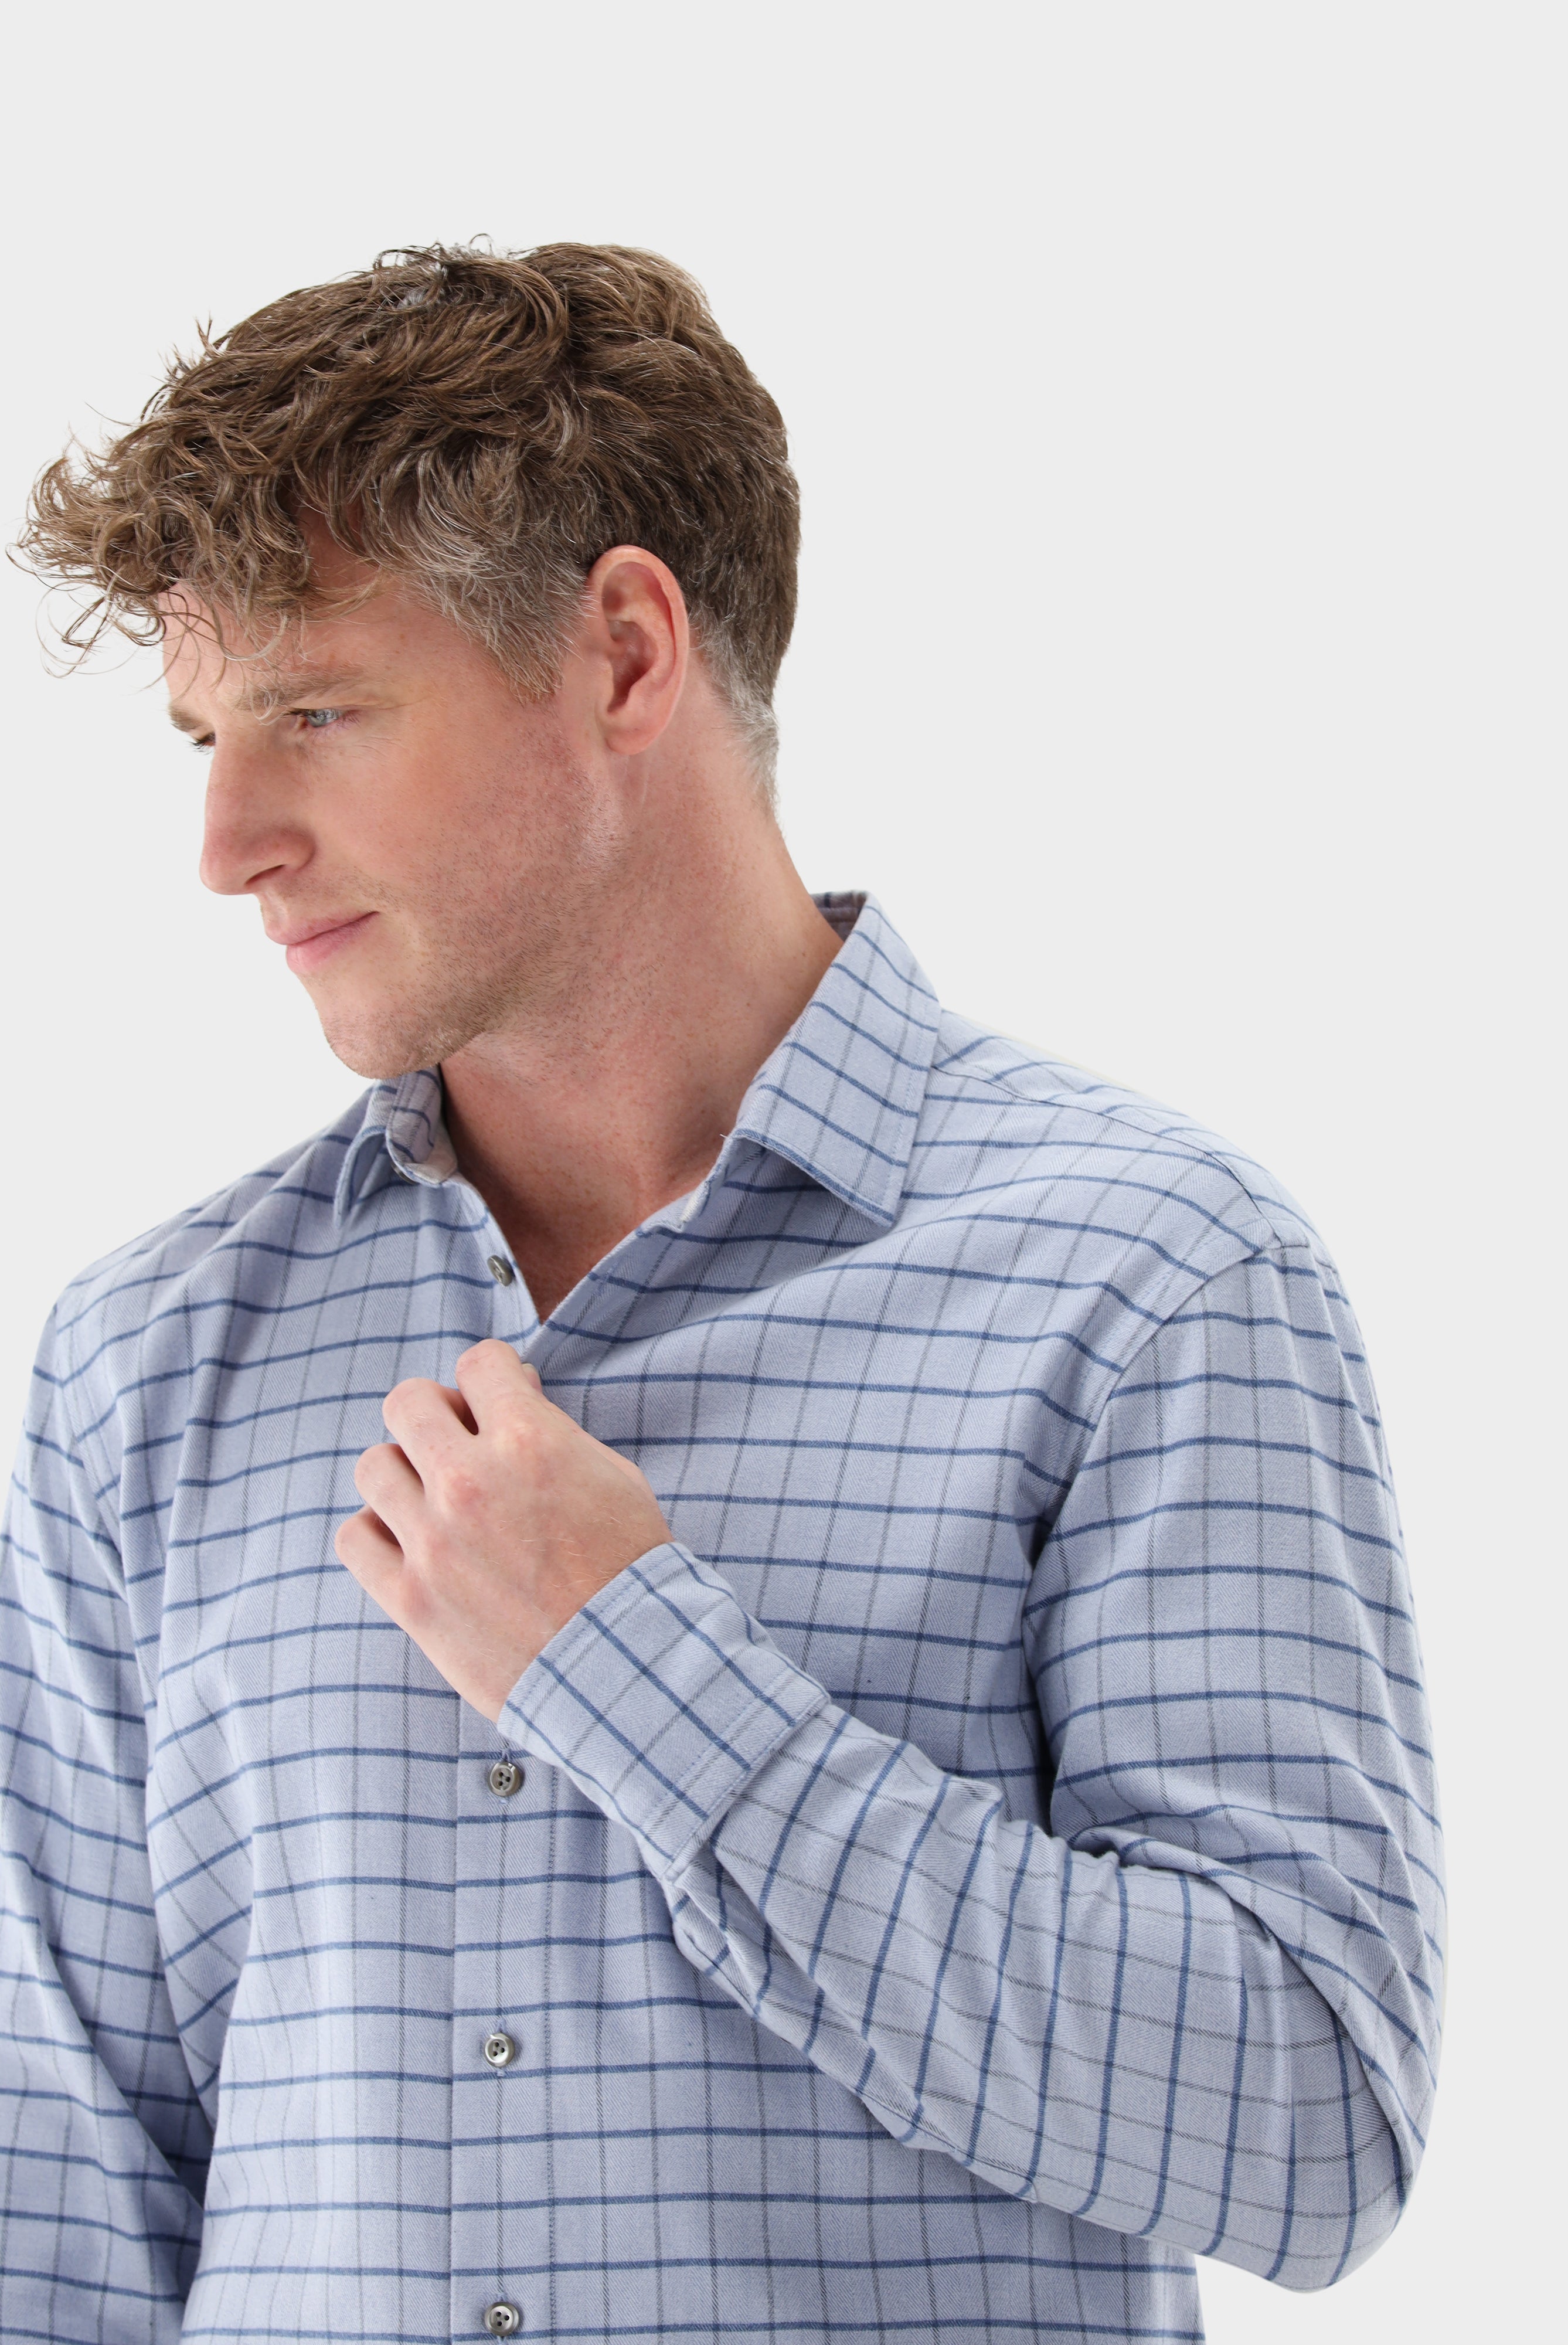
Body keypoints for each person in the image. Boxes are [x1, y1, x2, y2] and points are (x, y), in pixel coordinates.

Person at [1, 243, 1442, 2345]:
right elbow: (66, 2228)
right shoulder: (141, 1363)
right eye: (207, 735)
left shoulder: (1148, 1279)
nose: (228, 843)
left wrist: (630, 1669)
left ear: (621, 653)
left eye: (316, 712)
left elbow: (1310, 2127)